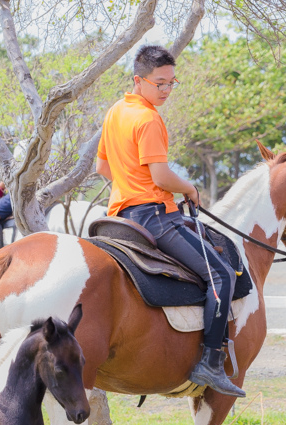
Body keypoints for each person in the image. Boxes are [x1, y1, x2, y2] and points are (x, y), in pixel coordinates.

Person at [95, 44, 244, 398]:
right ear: (139, 80)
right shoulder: (148, 118)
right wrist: (189, 188)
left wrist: (129, 186)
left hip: (118, 215)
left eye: (171, 83)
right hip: (155, 217)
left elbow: (103, 168)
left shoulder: (116, 112)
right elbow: (161, 177)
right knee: (221, 274)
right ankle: (210, 360)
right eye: (159, 83)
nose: (166, 91)